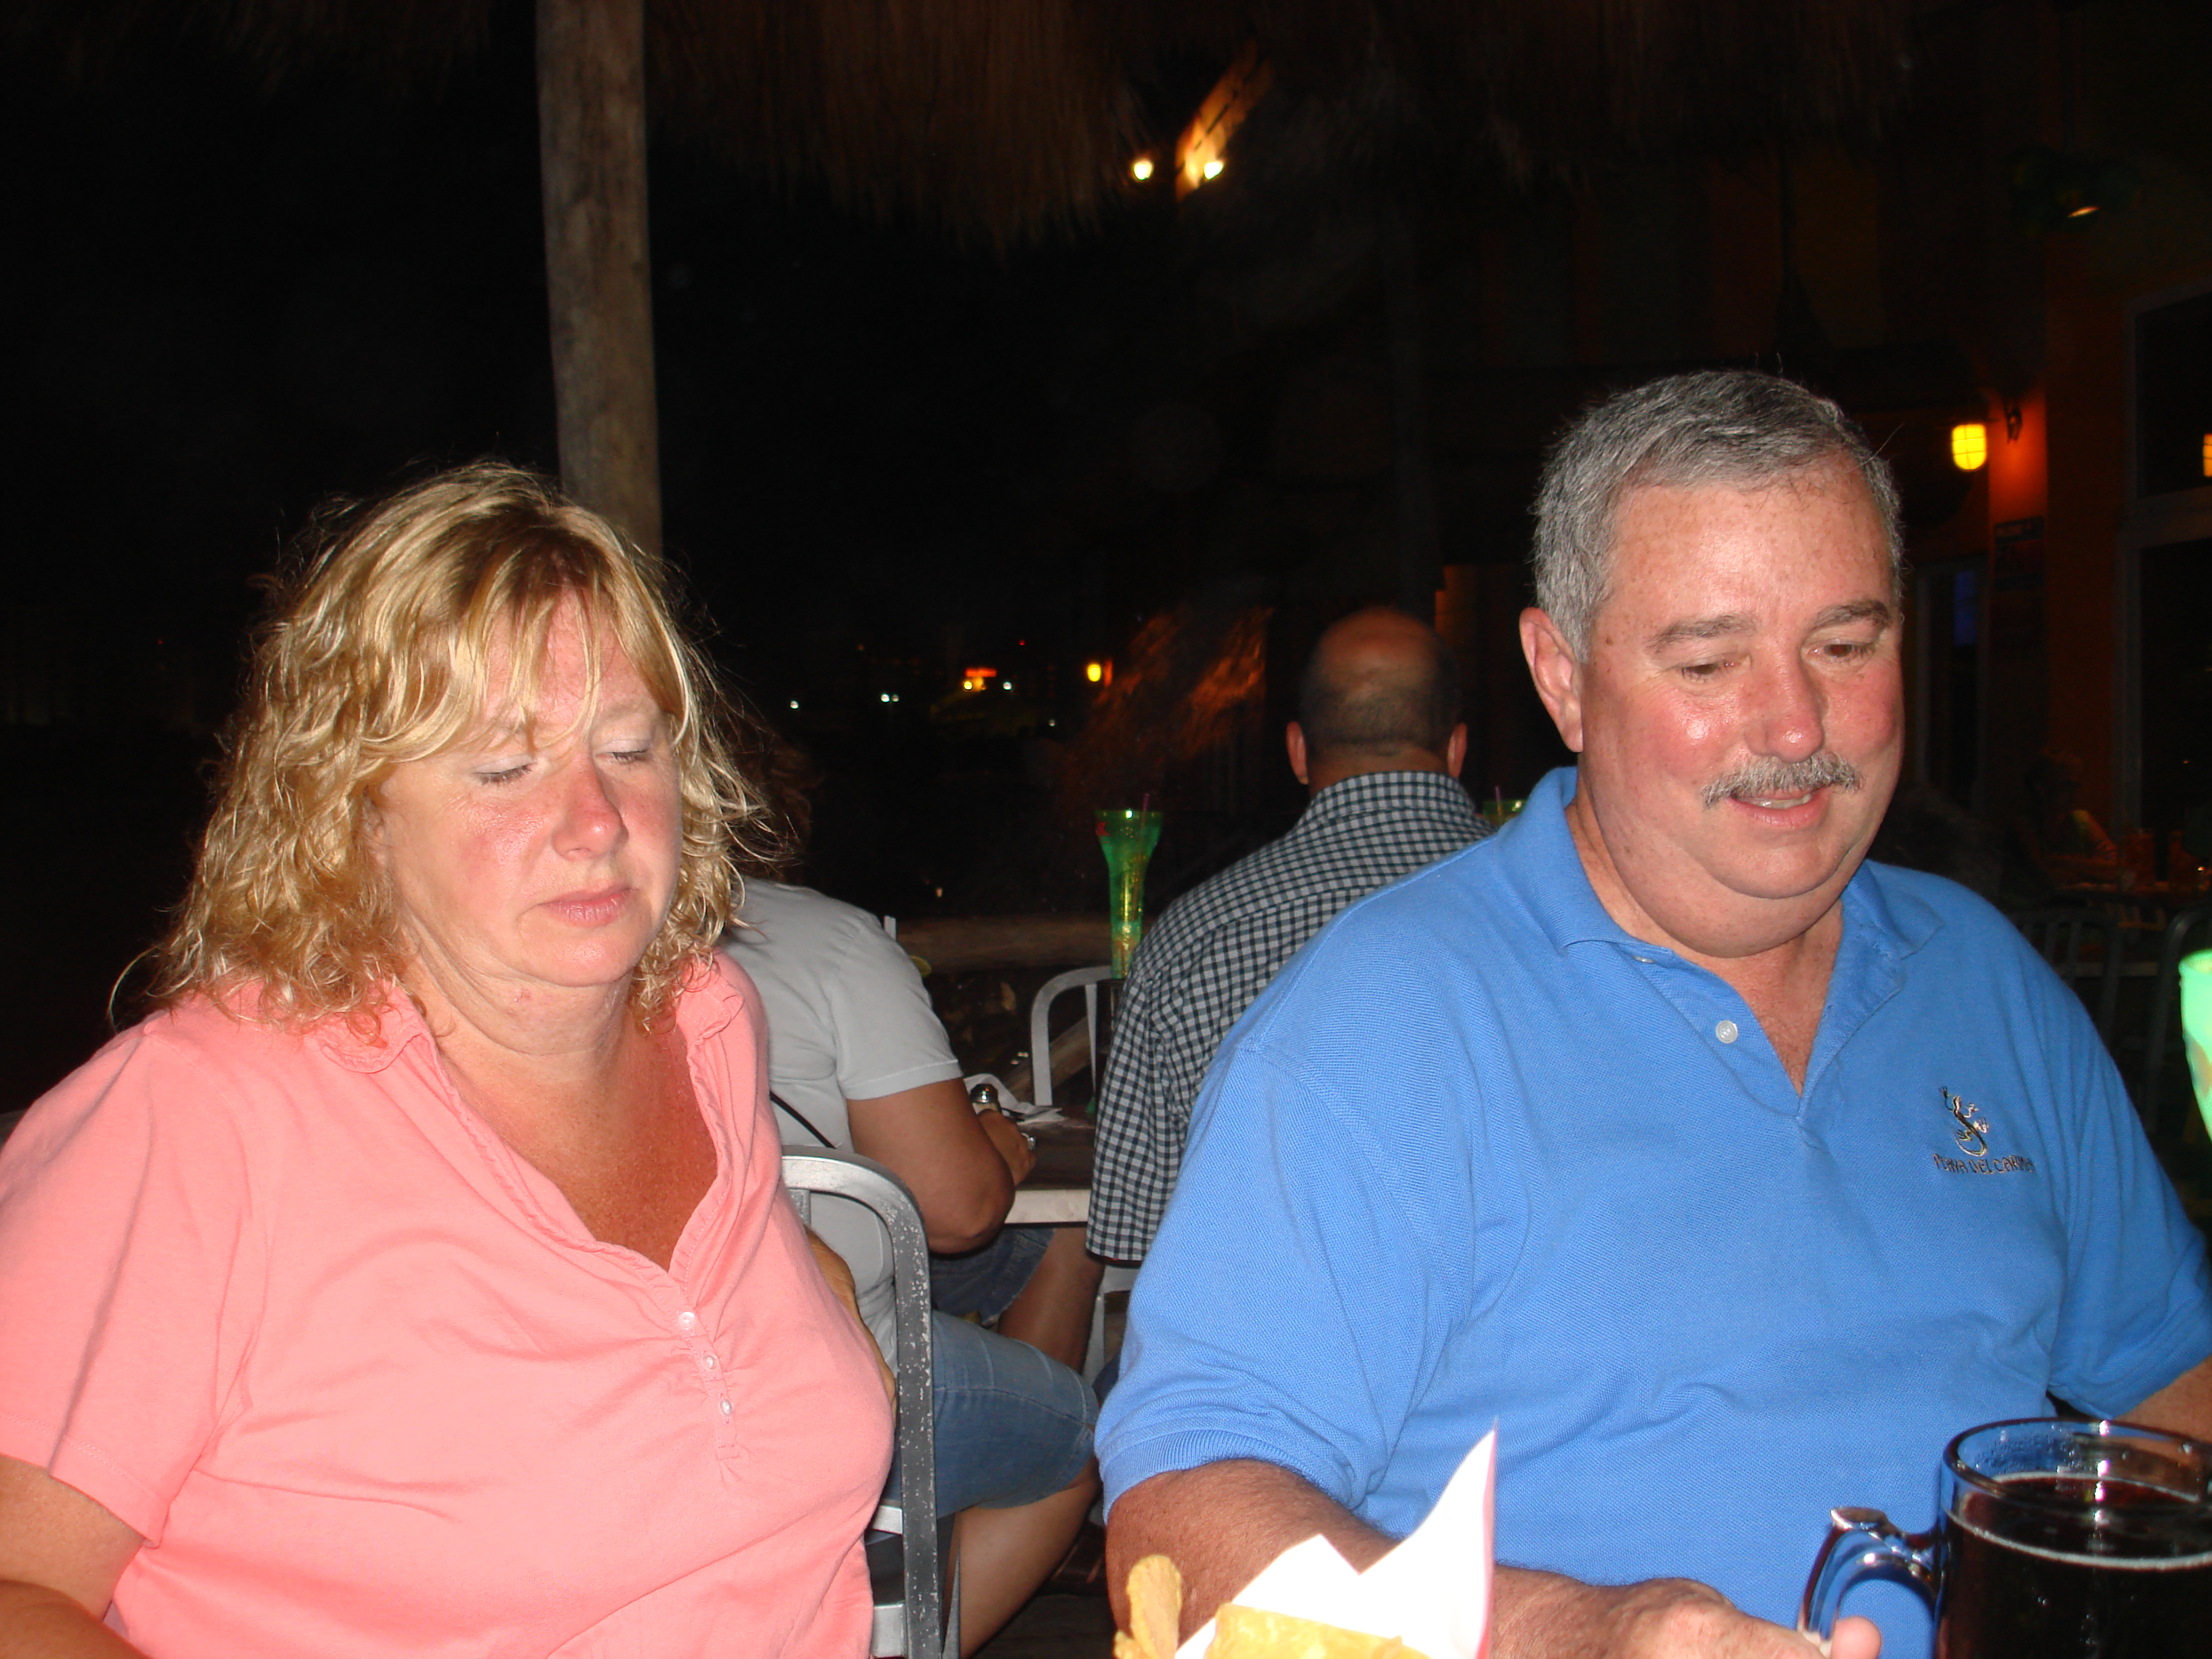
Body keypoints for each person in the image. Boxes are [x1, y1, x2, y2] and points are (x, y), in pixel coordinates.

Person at [1097, 371, 2212, 1659]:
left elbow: (2172, 1382)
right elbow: (1174, 1525)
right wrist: (1576, 1632)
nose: (1794, 724)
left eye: (1845, 645)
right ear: (1561, 678)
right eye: (1707, 660)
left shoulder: (1984, 977)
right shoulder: (1381, 1023)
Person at [0, 465, 893, 1657]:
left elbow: (682, 1312)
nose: (596, 819)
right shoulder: (200, 1116)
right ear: (355, 814)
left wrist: (807, 1317)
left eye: (629, 749)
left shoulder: (708, 1020)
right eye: (503, 769)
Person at [723, 863, 1101, 1654]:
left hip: (686, 1334)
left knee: (1055, 1236)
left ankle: (965, 1492)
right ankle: (934, 1573)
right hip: (815, 1358)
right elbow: (961, 1212)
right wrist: (991, 1142)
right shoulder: (825, 939)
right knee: (1080, 1438)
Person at [1087, 606, 1488, 1269]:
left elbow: (1138, 1229)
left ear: (1298, 752)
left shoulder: (1197, 935)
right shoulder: (1571, 914)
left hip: (1271, 1325)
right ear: (1457, 749)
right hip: (1538, 1331)